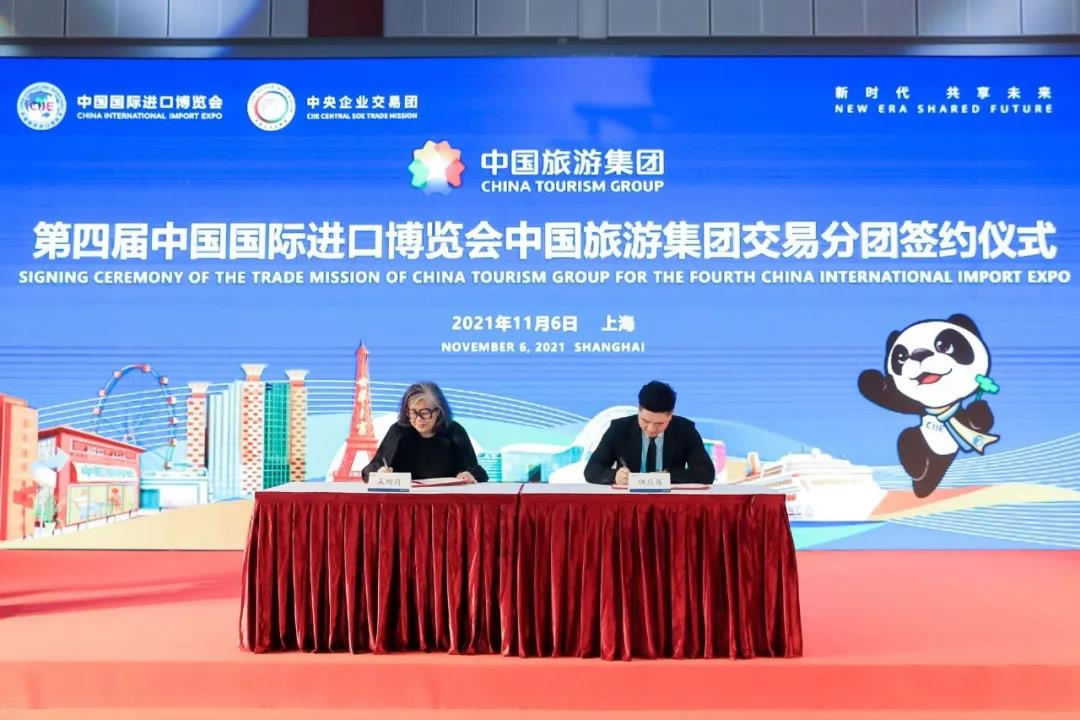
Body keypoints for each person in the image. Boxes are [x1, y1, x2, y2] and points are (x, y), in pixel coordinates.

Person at [584, 380, 715, 486]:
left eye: (659, 423)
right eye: (645, 421)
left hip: (670, 502)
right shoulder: (619, 429)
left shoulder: (685, 430)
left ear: (671, 414)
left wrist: (668, 477)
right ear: (639, 409)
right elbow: (591, 470)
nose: (651, 429)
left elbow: (707, 473)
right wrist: (614, 476)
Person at [361, 382, 488, 482]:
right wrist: (379, 474)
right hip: (406, 500)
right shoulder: (398, 431)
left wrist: (469, 475)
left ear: (438, 411)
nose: (418, 419)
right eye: (413, 412)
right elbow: (369, 471)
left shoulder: (454, 430)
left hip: (445, 500)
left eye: (425, 412)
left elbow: (479, 473)